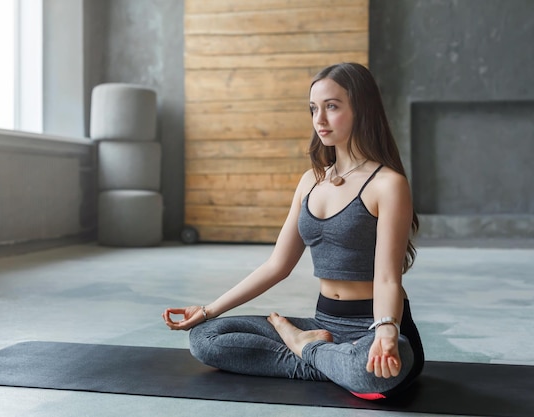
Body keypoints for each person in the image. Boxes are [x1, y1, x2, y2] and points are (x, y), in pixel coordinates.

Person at [162, 62, 424, 400]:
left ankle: (307, 349)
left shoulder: (388, 184)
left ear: (362, 108)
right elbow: (277, 266)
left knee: (374, 369)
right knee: (205, 339)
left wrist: (386, 332)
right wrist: (208, 310)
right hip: (324, 324)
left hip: (373, 325)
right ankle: (321, 357)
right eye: (314, 108)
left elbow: (388, 278)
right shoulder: (310, 181)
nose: (320, 119)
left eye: (332, 106)